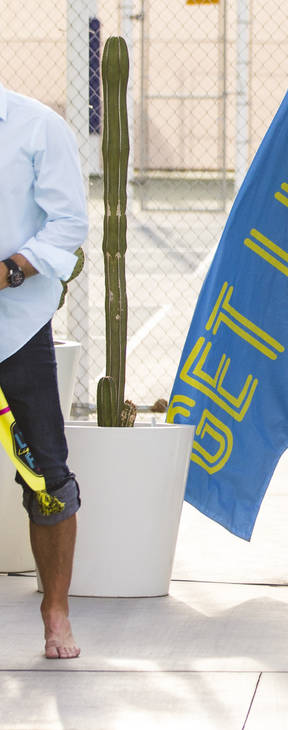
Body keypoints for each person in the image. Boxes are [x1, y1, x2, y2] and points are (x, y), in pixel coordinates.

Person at [0, 81, 88, 658]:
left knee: (47, 477)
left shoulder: (35, 126)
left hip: (17, 328)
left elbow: (68, 224)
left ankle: (55, 612)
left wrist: (9, 271)